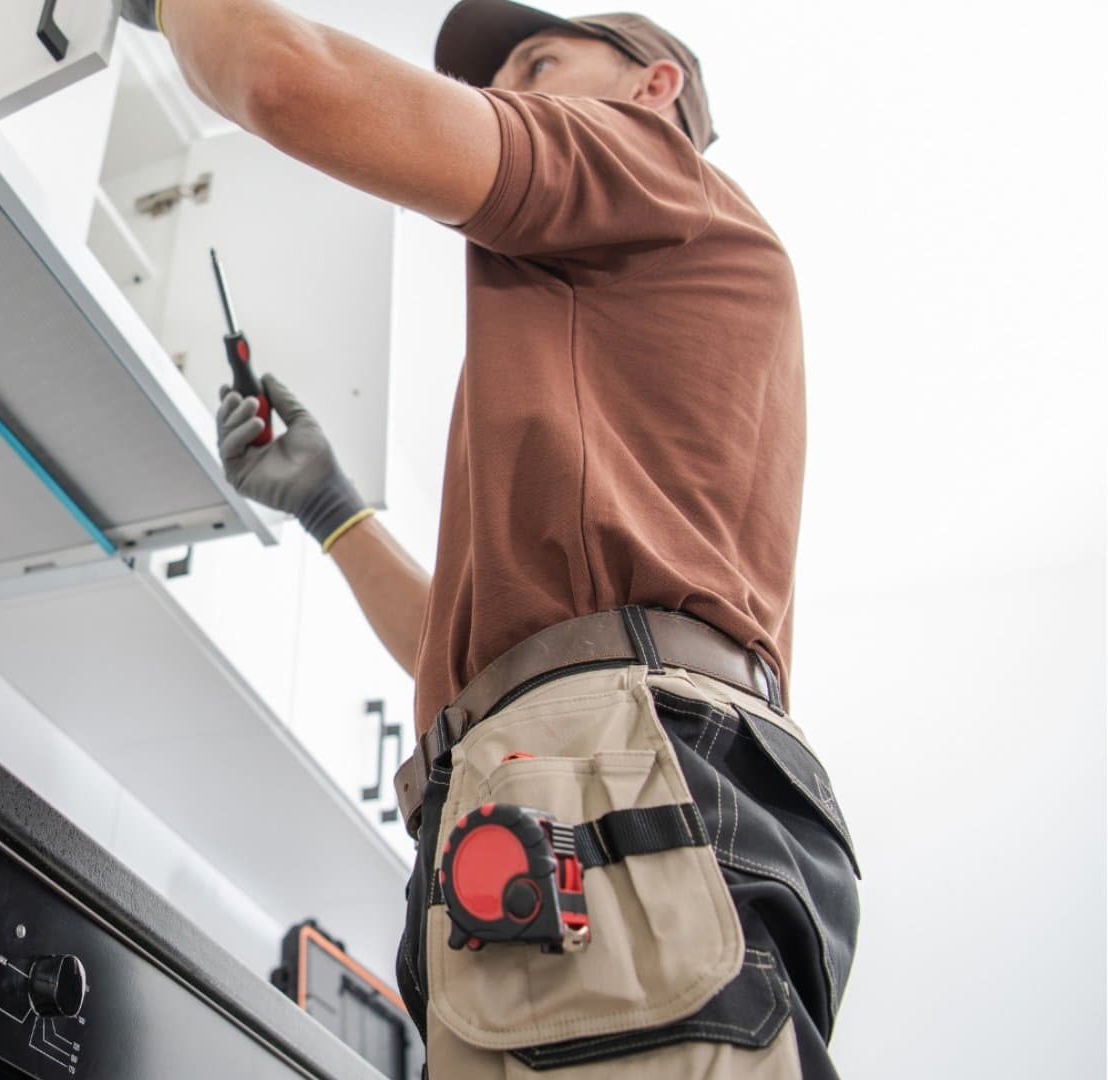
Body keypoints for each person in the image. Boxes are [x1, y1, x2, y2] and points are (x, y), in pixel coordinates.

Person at [121, 1, 861, 1075]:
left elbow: (286, 78)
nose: (503, 95)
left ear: (652, 91)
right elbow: (491, 662)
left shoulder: (645, 165)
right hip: (598, 773)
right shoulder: (620, 321)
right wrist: (334, 509)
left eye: (539, 61)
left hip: (610, 777)